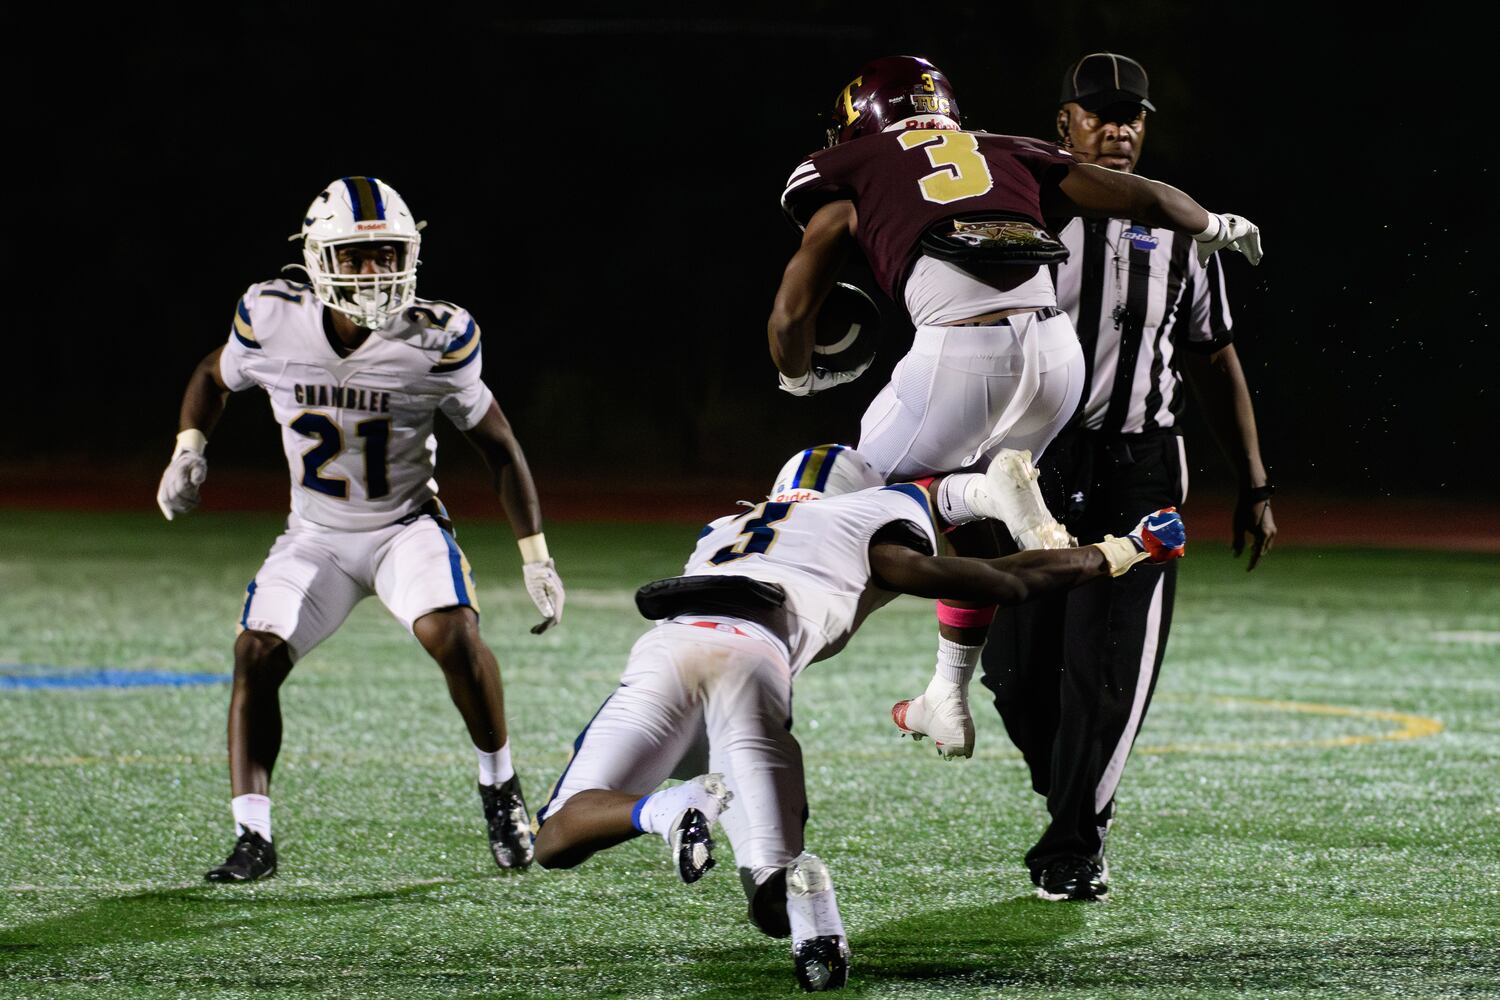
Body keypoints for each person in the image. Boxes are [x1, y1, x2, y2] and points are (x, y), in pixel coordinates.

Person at [531, 443, 1187, 992]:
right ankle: (808, 910)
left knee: (556, 836)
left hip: (669, 649)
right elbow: (1000, 580)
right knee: (771, 895)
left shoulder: (726, 525)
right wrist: (1123, 549)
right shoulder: (871, 516)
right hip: (754, 667)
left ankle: (668, 809)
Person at [770, 55, 1263, 765]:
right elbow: (1147, 198)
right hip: (1057, 361)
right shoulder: (1005, 150)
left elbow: (790, 317)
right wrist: (1217, 225)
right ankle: (947, 691)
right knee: (961, 522)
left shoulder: (854, 170)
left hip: (960, 353)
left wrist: (796, 378)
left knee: (846, 501)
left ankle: (761, 633)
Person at [902, 53, 1277, 902]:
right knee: (1014, 674)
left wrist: (1254, 482)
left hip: (1139, 466)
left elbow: (1214, 355)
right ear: (1063, 124)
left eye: (1131, 116)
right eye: (1099, 114)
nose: (1117, 130)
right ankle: (1070, 793)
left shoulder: (1180, 226)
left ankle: (1075, 840)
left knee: (1106, 669)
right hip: (1028, 464)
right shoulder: (1017, 209)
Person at [156, 176, 565, 881]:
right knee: (255, 651)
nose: (374, 272)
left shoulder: (435, 337)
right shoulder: (272, 317)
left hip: (404, 526)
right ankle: (253, 836)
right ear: (318, 258)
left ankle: (500, 787)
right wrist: (188, 447)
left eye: (387, 255)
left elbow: (498, 446)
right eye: (355, 255)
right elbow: (211, 375)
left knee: (453, 634)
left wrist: (537, 557)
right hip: (316, 534)